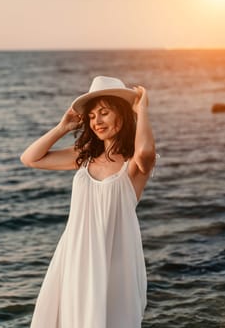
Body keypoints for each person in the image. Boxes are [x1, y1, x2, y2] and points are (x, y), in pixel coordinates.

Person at [20, 75, 158, 328]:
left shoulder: (134, 163)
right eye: (92, 116)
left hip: (114, 256)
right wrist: (63, 127)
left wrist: (142, 110)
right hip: (76, 254)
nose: (97, 122)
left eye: (104, 113)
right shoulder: (84, 157)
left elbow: (146, 151)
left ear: (123, 116)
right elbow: (30, 159)